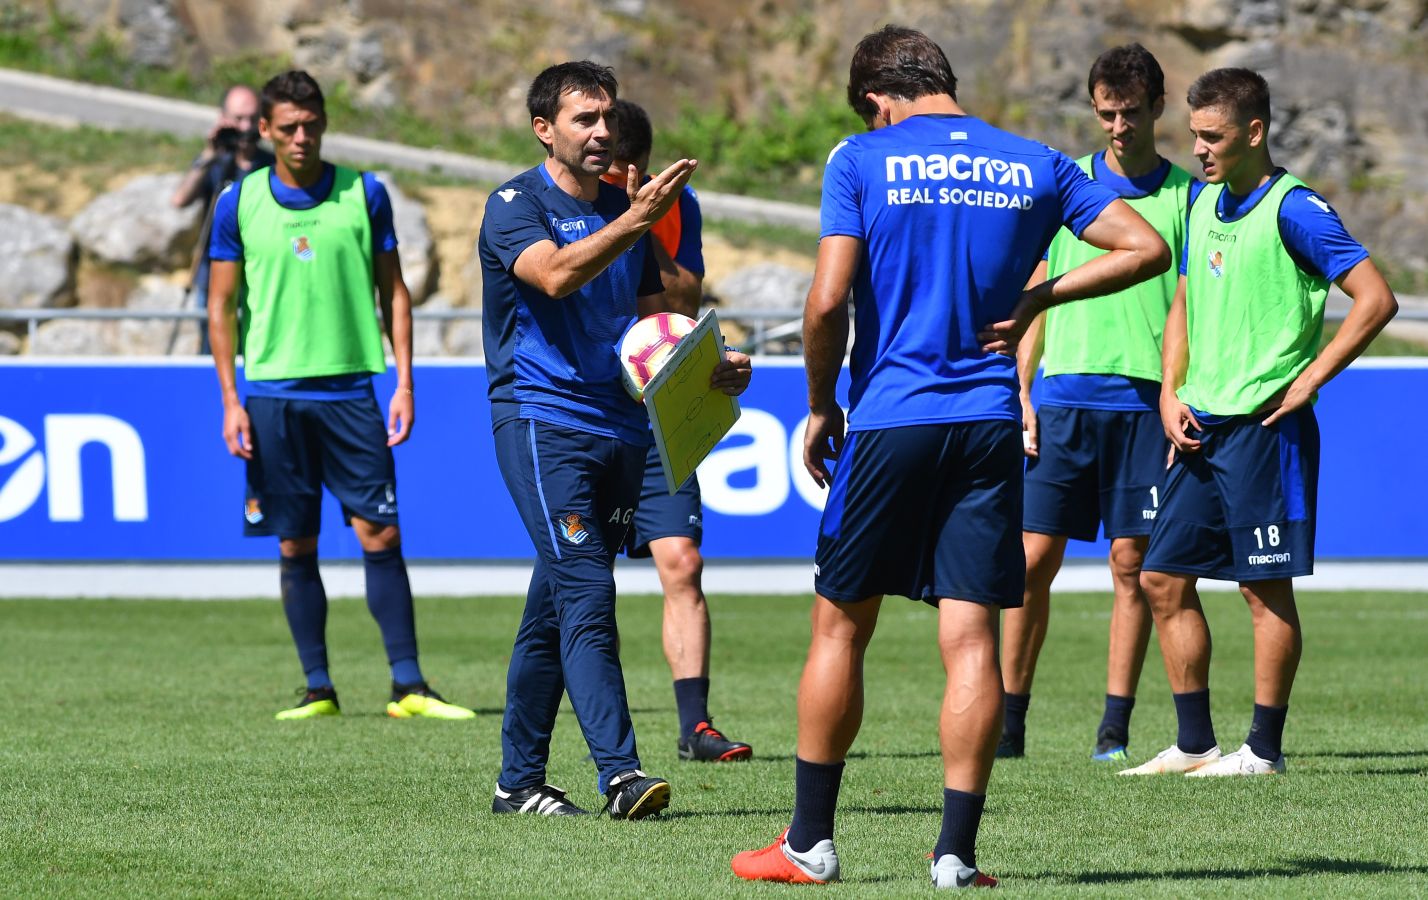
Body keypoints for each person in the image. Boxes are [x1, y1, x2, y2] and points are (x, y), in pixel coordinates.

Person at [731, 26, 1169, 888]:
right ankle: (957, 856)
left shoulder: (862, 158)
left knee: (841, 626)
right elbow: (1145, 248)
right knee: (971, 638)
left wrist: (821, 405)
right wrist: (1041, 291)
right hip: (989, 424)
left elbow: (825, 304)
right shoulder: (1036, 160)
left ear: (876, 98)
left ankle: (808, 846)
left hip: (893, 416)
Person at [477, 62, 752, 819]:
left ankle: (518, 782)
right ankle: (622, 774)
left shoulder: (620, 213)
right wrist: (633, 219)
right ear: (544, 130)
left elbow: (650, 327)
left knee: (554, 608)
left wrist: (710, 366)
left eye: (606, 118)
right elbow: (557, 276)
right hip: (543, 422)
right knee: (588, 590)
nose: (601, 132)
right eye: (583, 120)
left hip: (621, 427)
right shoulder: (512, 205)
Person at [1119, 68, 1397, 777]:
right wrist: (1169, 390)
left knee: (1261, 586)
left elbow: (1373, 298)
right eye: (1194, 136)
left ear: (1254, 131)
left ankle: (1262, 751)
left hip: (1264, 427)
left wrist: (1309, 379)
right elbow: (1182, 302)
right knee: (1161, 579)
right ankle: (1194, 743)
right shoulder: (1202, 204)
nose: (1200, 150)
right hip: (1200, 424)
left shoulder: (1296, 208)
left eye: (1213, 137)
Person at [208, 70, 474, 722]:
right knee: (294, 542)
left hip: (353, 391)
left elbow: (396, 294)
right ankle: (318, 688)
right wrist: (230, 399)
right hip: (272, 397)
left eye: (313, 125)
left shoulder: (365, 193)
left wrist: (404, 381)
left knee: (380, 532)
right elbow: (219, 308)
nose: (303, 138)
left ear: (325, 124)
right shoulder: (237, 202)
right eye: (289, 127)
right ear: (265, 130)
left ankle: (408, 686)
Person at [998, 44, 1193, 763]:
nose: (1118, 125)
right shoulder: (1067, 188)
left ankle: (1114, 728)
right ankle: (1009, 723)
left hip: (1144, 404)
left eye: (1131, 112)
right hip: (1064, 398)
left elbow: (1187, 306)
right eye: (1106, 112)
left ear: (1157, 110)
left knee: (1131, 564)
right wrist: (1021, 390)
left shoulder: (1186, 197)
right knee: (1029, 561)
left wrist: (1177, 394)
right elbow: (1038, 297)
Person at [603, 98, 753, 764]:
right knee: (578, 578)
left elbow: (683, 303)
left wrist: (643, 221)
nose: (613, 177)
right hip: (585, 415)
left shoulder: (675, 208)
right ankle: (594, 729)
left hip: (658, 413)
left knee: (682, 562)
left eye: (621, 167)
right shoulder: (556, 207)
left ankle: (695, 725)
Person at [173, 85, 275, 354]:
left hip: (260, 273)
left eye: (253, 119)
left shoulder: (273, 165)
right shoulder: (216, 161)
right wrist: (209, 153)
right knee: (214, 348)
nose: (246, 127)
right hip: (215, 272)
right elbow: (180, 200)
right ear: (224, 119)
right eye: (239, 119)